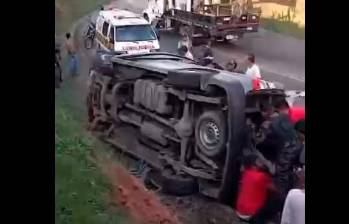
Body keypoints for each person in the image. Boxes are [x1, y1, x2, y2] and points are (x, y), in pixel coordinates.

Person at [236, 154, 279, 224]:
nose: (261, 162)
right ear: (254, 164)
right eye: (258, 161)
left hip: (239, 211)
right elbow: (275, 189)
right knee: (278, 199)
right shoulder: (261, 176)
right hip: (251, 214)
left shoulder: (245, 174)